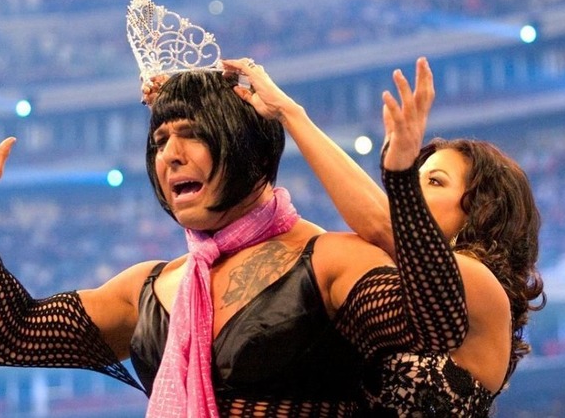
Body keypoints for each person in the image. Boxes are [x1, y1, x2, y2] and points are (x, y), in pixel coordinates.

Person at [0, 54, 479, 416]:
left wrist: (402, 181)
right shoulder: (151, 287)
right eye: (160, 139)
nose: (169, 153)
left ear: (246, 148)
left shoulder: (328, 259)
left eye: (192, 134)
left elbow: (438, 326)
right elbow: (9, 336)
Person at [231, 56, 546, 416]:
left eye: (434, 181)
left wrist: (292, 114)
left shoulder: (480, 284)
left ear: (482, 210)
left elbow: (382, 224)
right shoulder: (382, 277)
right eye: (416, 177)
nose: (413, 189)